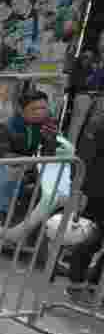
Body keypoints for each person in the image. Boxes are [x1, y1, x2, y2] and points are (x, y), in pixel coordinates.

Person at [0, 89, 58, 225]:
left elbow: (48, 155)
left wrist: (51, 140)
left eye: (43, 108)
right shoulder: (5, 127)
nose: (41, 112)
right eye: (35, 108)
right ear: (21, 109)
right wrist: (28, 163)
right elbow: (3, 155)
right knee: (12, 170)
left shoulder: (39, 127)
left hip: (23, 166)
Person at [68, 104, 104, 305]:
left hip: (95, 188)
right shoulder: (99, 124)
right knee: (91, 237)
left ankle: (94, 283)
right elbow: (88, 156)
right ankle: (76, 281)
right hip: (98, 192)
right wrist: (81, 189)